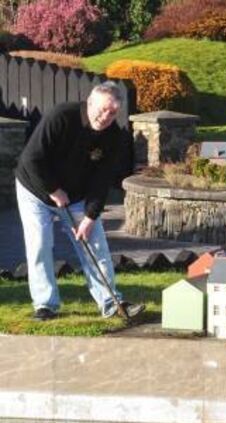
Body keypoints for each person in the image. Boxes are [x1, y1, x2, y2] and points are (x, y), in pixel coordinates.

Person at [15, 82, 145, 321]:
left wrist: (90, 217)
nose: (106, 117)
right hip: (34, 190)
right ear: (90, 103)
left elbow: (102, 180)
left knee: (95, 245)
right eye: (103, 110)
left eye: (113, 113)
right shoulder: (62, 116)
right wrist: (54, 190)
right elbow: (31, 158)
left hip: (76, 196)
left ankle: (111, 302)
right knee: (40, 244)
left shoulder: (114, 136)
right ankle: (45, 305)